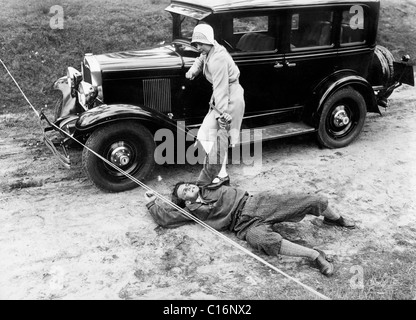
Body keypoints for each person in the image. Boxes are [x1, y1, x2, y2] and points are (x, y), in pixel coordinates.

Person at [144, 126, 356, 277]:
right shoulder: (192, 211)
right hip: (243, 227)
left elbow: (214, 159)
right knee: (262, 240)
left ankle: (335, 219)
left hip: (254, 204)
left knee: (310, 199)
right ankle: (315, 257)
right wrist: (152, 203)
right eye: (184, 193)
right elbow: (166, 218)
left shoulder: (204, 183)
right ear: (184, 201)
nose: (189, 188)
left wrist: (222, 130)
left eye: (187, 185)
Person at [186, 23, 245, 187]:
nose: (198, 47)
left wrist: (221, 115)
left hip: (228, 100)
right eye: (195, 44)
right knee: (207, 136)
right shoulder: (211, 49)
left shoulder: (218, 58)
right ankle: (220, 173)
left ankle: (221, 175)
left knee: (214, 136)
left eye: (200, 44)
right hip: (223, 98)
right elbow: (201, 59)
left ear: (210, 41)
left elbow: (221, 89)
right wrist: (193, 70)